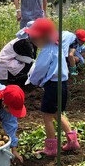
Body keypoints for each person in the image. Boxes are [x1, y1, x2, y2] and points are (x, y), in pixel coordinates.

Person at [25, 18, 79, 156]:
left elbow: (40, 68)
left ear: (43, 37)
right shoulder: (57, 47)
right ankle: (72, 141)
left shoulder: (47, 50)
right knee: (57, 113)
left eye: (35, 38)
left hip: (53, 86)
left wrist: (34, 81)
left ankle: (51, 147)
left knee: (47, 116)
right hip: (62, 84)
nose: (34, 41)